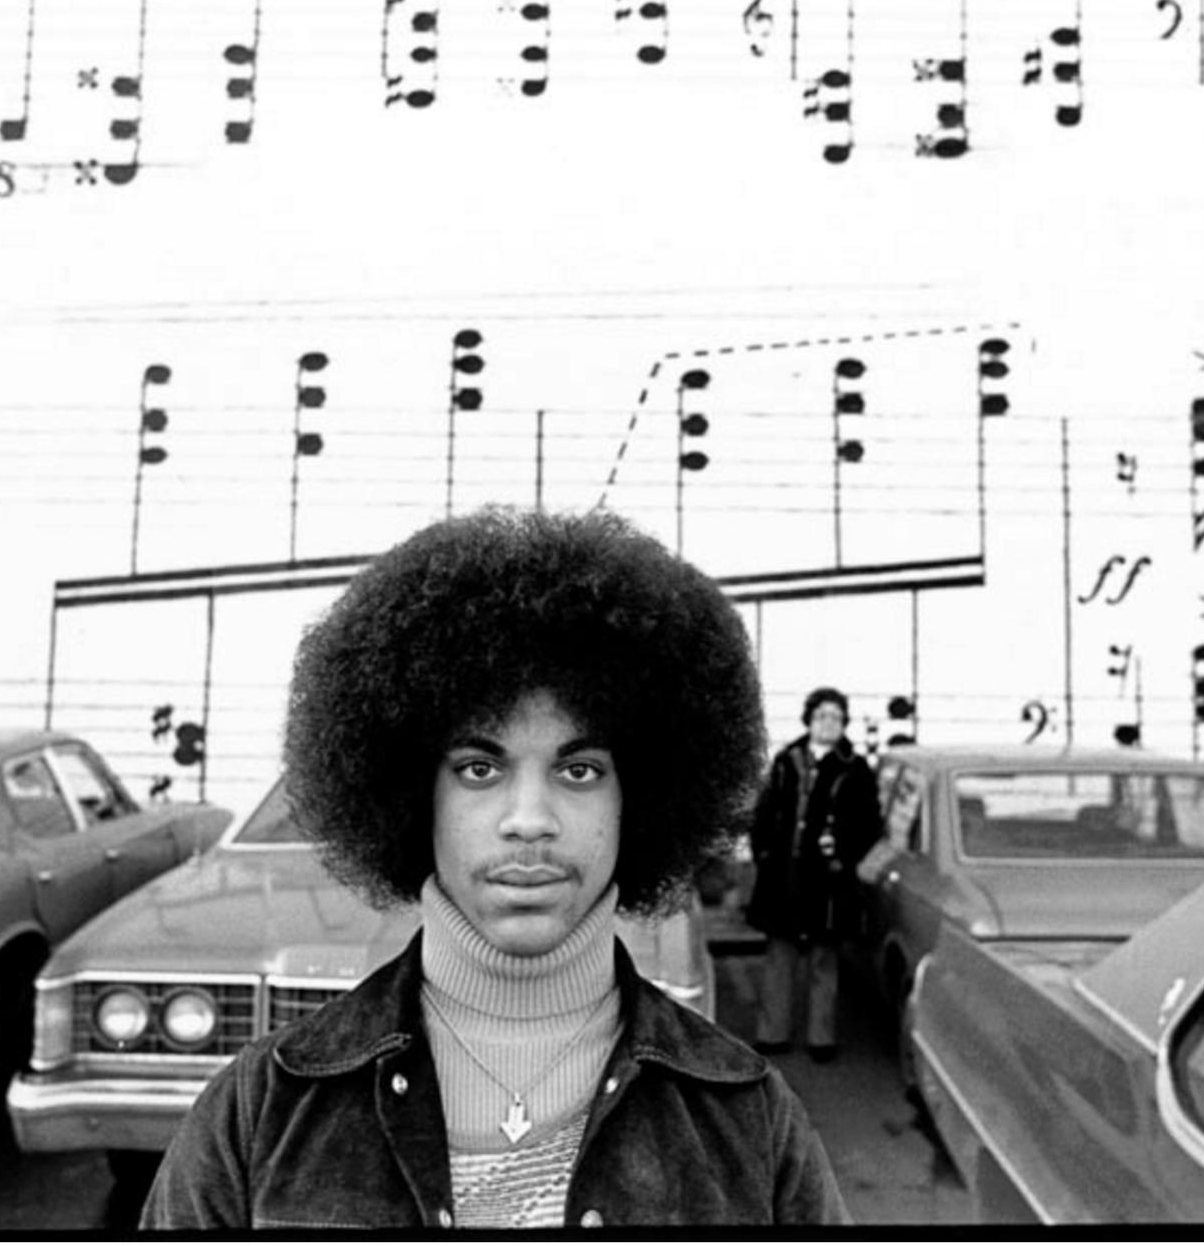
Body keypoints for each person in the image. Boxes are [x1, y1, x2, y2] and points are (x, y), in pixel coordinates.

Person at [141, 508, 847, 1229]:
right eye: (480, 768)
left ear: (638, 797)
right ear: (416, 794)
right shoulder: (260, 1113)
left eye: (578, 769)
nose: (530, 819)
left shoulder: (748, 1120)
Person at [744, 687, 880, 1062]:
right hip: (783, 874)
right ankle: (773, 1034)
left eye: (836, 717)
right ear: (809, 720)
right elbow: (764, 812)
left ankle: (821, 1038)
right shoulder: (786, 760)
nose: (828, 723)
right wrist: (763, 853)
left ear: (844, 724)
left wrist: (842, 849)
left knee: (824, 957)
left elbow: (871, 823)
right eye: (822, 716)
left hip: (828, 880)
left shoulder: (855, 768)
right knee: (780, 953)